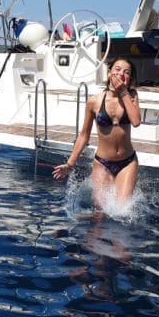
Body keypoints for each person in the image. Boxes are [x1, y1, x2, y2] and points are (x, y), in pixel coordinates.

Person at [53, 57, 141, 207]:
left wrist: (123, 92)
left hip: (127, 163)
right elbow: (84, 135)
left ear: (129, 78)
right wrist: (70, 164)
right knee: (99, 211)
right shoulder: (94, 101)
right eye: (118, 69)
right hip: (102, 163)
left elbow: (136, 121)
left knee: (123, 210)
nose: (121, 74)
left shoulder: (131, 96)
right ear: (109, 73)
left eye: (127, 72)